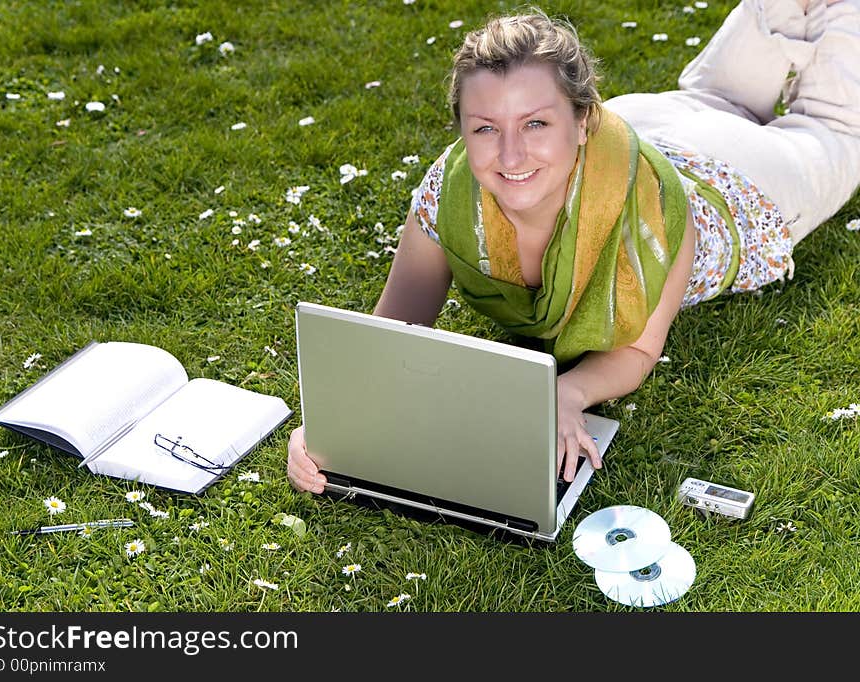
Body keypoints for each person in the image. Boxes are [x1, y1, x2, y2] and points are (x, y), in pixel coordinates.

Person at [288, 0, 860, 494]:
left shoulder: (654, 210)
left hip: (729, 184)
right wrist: (328, 426)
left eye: (534, 123)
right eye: (485, 128)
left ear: (584, 120)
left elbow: (636, 351)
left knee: (832, 130)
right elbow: (391, 333)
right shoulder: (449, 191)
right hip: (654, 123)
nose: (510, 156)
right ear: (461, 130)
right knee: (713, 94)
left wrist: (570, 391)